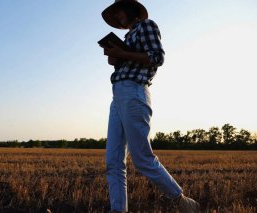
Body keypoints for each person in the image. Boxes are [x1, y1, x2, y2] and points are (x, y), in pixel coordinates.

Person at [100, 1, 201, 212]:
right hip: (118, 95)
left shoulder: (146, 25)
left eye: (119, 12)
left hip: (134, 91)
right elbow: (130, 60)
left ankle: (182, 201)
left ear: (129, 10)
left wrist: (124, 55)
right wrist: (115, 58)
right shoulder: (128, 37)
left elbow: (157, 57)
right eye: (115, 15)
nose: (118, 17)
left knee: (142, 158)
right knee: (113, 161)